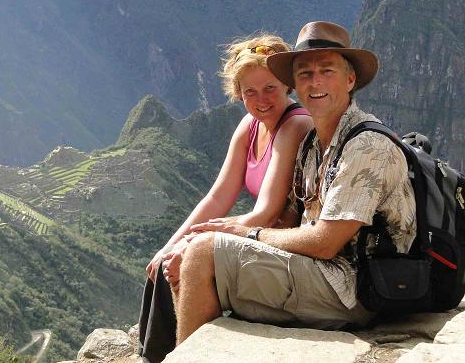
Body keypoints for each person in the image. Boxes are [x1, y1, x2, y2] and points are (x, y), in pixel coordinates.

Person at [173, 21, 416, 345]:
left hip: (358, 289)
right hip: (323, 272)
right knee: (198, 253)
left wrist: (246, 234)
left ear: (350, 79)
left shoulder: (366, 145)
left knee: (203, 256)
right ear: (296, 87)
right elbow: (289, 220)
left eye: (327, 71)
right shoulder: (313, 144)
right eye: (304, 73)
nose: (315, 82)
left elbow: (326, 242)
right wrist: (214, 238)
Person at [138, 34, 313, 362]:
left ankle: (179, 355)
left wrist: (191, 246)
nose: (261, 100)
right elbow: (219, 195)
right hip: (255, 234)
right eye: (250, 92)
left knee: (183, 264)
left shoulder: (295, 126)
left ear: (287, 85)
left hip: (283, 243)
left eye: (270, 89)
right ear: (239, 94)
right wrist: (171, 244)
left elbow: (265, 212)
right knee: (164, 263)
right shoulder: (251, 125)